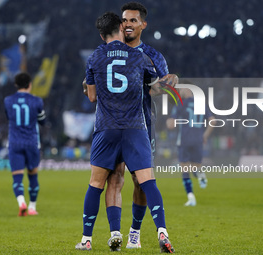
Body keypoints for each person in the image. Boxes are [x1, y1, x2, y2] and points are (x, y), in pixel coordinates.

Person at [75, 12, 174, 253]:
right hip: (135, 128)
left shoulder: (95, 57)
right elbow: (157, 88)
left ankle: (88, 239)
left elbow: (92, 96)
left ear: (101, 34)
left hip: (106, 128)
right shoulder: (139, 57)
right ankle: (162, 231)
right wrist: (170, 82)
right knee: (147, 181)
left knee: (98, 183)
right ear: (121, 27)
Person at [4, 72, 46, 216]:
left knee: (17, 177)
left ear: (16, 85)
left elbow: (8, 117)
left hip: (15, 142)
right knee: (33, 176)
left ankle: (21, 202)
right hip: (31, 142)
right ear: (30, 85)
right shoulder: (37, 101)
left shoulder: (8, 101)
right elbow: (43, 121)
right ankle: (32, 207)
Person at [166, 88, 214, 206]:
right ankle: (200, 175)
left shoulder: (180, 104)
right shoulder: (201, 104)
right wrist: (205, 135)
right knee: (195, 168)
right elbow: (213, 121)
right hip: (198, 140)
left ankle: (191, 197)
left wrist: (168, 122)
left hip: (184, 140)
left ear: (186, 92)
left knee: (185, 169)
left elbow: (171, 125)